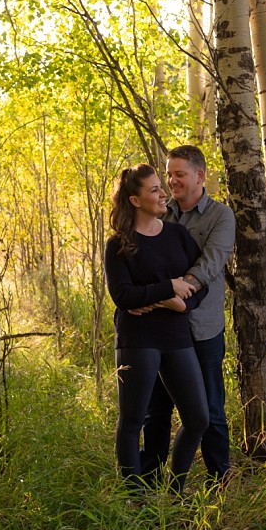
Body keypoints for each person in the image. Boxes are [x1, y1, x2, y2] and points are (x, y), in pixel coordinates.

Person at [104, 163, 210, 497]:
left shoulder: (177, 235)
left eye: (160, 187)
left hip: (176, 336)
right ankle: (135, 497)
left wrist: (183, 303)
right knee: (133, 421)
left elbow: (199, 285)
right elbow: (123, 296)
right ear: (135, 200)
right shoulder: (119, 244)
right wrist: (168, 288)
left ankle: (175, 491)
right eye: (154, 190)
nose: (163, 193)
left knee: (198, 418)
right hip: (138, 339)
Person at [138, 145, 236, 487]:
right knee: (156, 410)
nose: (171, 181)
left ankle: (219, 480)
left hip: (201, 329)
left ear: (199, 175)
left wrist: (177, 292)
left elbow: (210, 263)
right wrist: (158, 295)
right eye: (168, 174)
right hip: (161, 329)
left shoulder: (220, 216)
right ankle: (148, 482)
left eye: (178, 174)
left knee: (210, 409)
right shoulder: (159, 213)